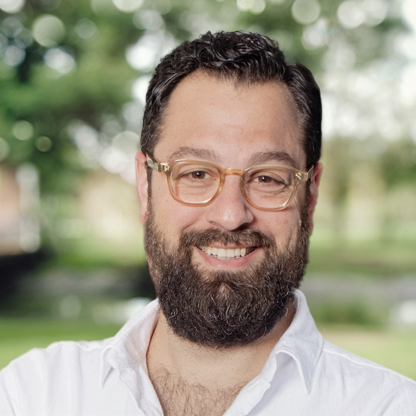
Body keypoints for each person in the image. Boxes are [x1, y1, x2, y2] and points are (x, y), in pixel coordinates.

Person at [0, 31, 415, 416]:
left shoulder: (389, 407)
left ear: (310, 194)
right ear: (145, 186)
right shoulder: (32, 395)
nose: (231, 215)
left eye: (268, 178)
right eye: (196, 173)